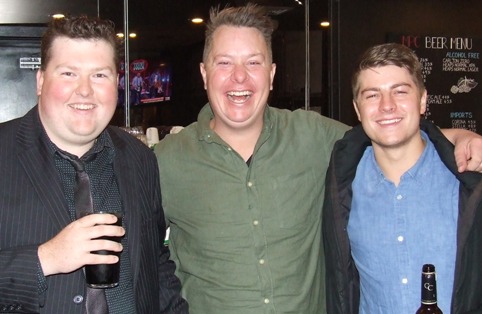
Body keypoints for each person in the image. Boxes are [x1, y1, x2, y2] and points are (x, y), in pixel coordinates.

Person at [154, 5, 482, 314]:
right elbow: (144, 256)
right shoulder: (166, 160)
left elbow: (385, 128)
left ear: (271, 74)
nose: (239, 77)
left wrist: (456, 137)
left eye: (253, 63)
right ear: (204, 73)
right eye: (224, 63)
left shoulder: (313, 136)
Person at [0, 16, 188, 313]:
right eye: (69, 74)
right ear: (40, 81)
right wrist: (45, 259)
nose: (85, 91)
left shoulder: (140, 159)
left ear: (116, 83)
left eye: (99, 75)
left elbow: (156, 265)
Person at [323, 43, 482, 314]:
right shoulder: (343, 183)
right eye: (372, 95)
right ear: (357, 110)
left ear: (422, 100)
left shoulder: (468, 180)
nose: (387, 106)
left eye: (400, 91)